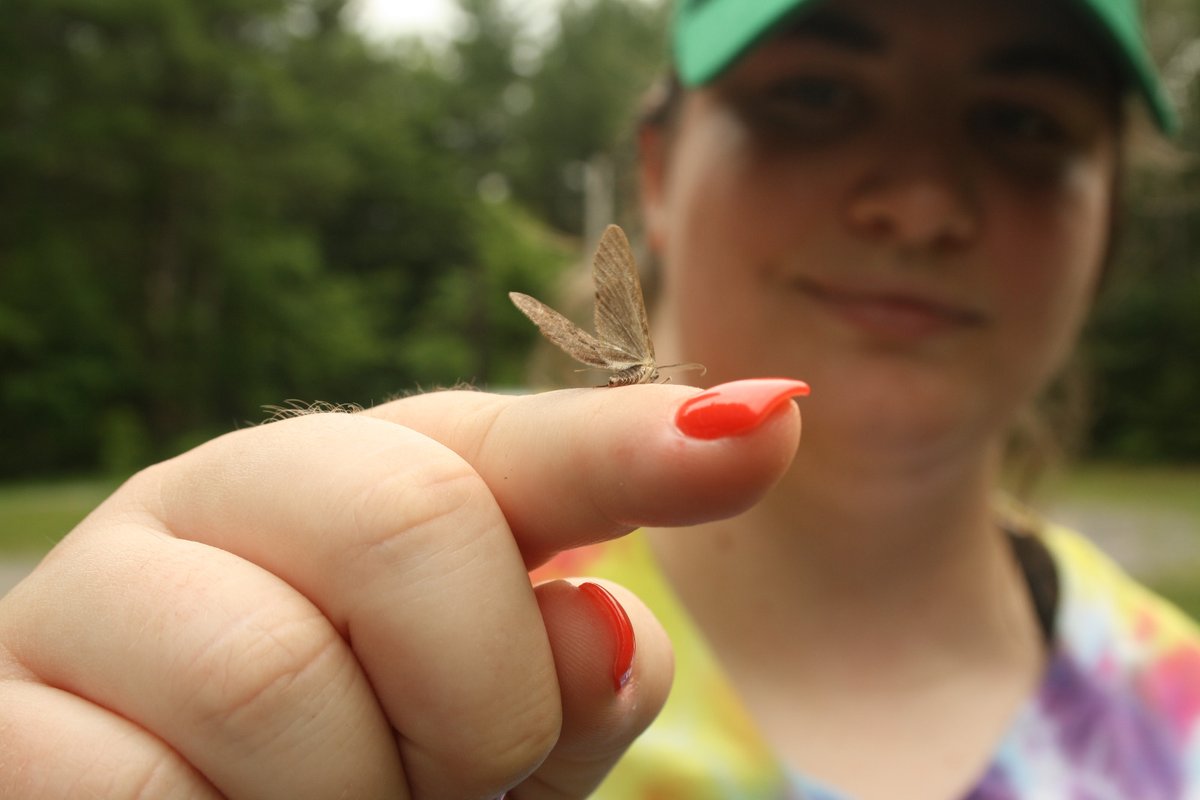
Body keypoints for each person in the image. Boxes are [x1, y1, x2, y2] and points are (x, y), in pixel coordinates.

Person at [1, 0, 1194, 797]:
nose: (922, 203)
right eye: (821, 95)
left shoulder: (1179, 719)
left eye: (1023, 121)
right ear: (662, 172)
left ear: (1107, 231)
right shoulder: (406, 661)